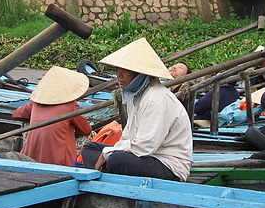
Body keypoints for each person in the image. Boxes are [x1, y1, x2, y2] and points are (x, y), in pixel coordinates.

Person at [80, 38, 193, 182]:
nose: (119, 75)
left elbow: (145, 147)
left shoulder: (154, 99)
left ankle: (107, 174)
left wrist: (109, 153)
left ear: (140, 74)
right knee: (89, 148)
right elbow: (128, 136)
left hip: (168, 165)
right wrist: (109, 151)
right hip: (145, 156)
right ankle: (108, 173)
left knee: (116, 159)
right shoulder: (135, 95)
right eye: (117, 69)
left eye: (125, 70)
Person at [12, 66, 92, 166]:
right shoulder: (71, 106)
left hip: (30, 157)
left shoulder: (34, 104)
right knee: (91, 136)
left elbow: (17, 114)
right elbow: (86, 130)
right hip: (60, 161)